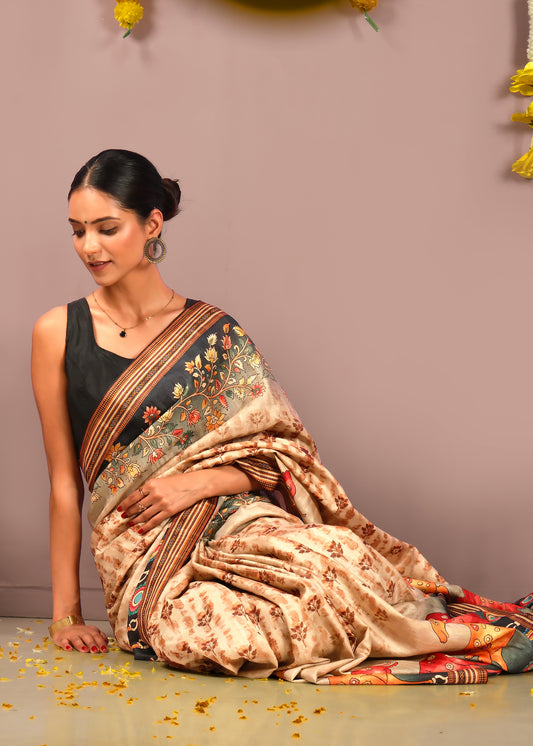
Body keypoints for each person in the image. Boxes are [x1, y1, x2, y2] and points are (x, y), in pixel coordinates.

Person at [31, 149, 533, 685]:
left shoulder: (213, 332)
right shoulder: (58, 332)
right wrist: (66, 615)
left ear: (152, 222)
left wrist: (195, 482)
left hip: (237, 518)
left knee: (335, 562)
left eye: (107, 228)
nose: (89, 247)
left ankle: (473, 635)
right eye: (77, 231)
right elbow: (65, 485)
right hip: (143, 551)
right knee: (222, 633)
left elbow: (287, 452)